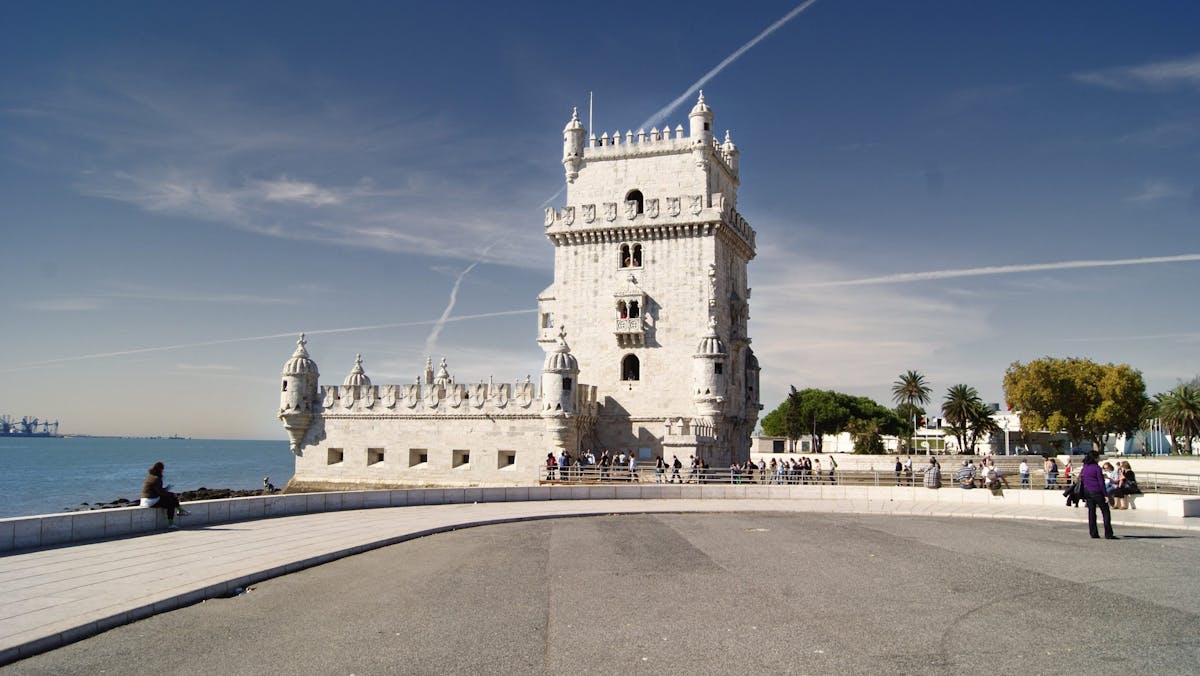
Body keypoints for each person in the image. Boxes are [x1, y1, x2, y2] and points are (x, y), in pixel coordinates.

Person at [140, 461, 189, 529]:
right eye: (163, 470)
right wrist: (171, 493)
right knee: (171, 502)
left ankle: (180, 510)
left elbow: (156, 490)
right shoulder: (157, 479)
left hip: (143, 500)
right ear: (160, 470)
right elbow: (160, 493)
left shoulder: (148, 477)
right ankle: (172, 522)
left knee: (171, 497)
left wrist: (166, 490)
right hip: (151, 501)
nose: (163, 471)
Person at [1079, 451, 1116, 539]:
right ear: (1095, 458)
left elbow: (1083, 479)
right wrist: (1105, 495)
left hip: (1087, 492)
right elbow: (1101, 482)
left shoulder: (1085, 467)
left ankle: (1093, 533)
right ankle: (1108, 533)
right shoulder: (1097, 468)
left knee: (1091, 512)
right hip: (1097, 492)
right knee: (1105, 511)